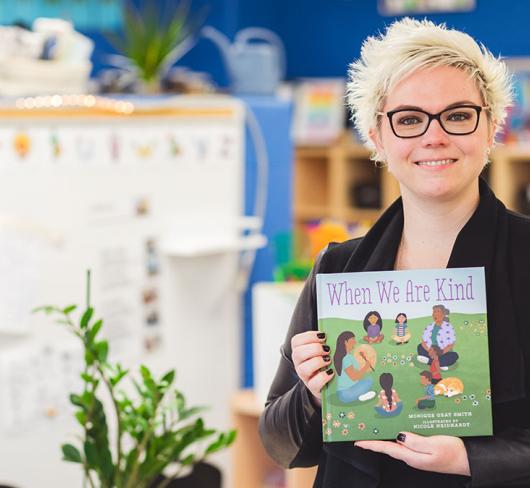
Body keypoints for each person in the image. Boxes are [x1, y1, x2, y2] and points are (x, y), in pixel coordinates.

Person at [259, 18, 530, 487]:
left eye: (459, 115)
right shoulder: (338, 269)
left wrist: (473, 459)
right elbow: (280, 445)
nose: (434, 136)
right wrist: (313, 394)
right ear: (377, 137)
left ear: (491, 126)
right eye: (409, 119)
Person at [333, 331, 376, 403]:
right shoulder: (346, 358)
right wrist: (366, 367)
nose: (355, 342)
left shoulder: (347, 356)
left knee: (368, 380)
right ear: (345, 342)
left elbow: (355, 371)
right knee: (369, 381)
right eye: (352, 339)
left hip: (346, 391)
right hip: (346, 394)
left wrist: (364, 360)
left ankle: (359, 394)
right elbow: (354, 377)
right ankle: (360, 396)